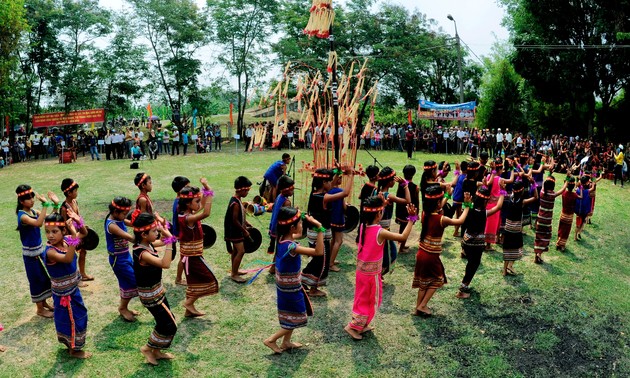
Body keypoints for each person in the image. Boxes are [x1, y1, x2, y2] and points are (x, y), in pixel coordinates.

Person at [344, 196, 417, 340]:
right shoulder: (380, 231)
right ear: (378, 214)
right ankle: (352, 327)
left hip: (362, 272)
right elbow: (402, 237)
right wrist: (411, 219)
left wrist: (382, 204)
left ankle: (361, 324)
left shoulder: (364, 225)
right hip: (370, 275)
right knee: (368, 301)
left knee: (363, 299)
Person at [263, 207, 324, 354]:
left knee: (290, 313)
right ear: (292, 227)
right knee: (296, 316)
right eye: (299, 223)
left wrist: (304, 219)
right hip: (290, 288)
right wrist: (320, 228)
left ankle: (286, 342)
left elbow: (299, 233)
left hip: (285, 285)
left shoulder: (283, 239)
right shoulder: (292, 246)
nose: (301, 226)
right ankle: (271, 340)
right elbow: (318, 252)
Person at [413, 185, 470, 316]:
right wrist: (467, 205)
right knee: (437, 280)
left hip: (421, 253)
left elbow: (437, 206)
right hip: (431, 256)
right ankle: (422, 306)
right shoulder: (441, 219)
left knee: (424, 282)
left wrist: (446, 196)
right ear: (437, 203)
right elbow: (460, 220)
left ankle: (417, 308)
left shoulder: (425, 214)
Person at [131, 212, 177, 366]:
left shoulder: (148, 244)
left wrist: (165, 231)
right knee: (169, 324)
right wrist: (169, 239)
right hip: (150, 296)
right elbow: (165, 263)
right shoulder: (142, 253)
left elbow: (164, 241)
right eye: (154, 231)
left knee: (165, 322)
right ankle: (147, 348)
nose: (156, 234)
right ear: (144, 234)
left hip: (157, 292)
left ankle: (157, 351)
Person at [44, 211, 91, 359]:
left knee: (79, 315)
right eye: (47, 232)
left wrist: (79, 222)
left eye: (54, 231)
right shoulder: (50, 251)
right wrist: (73, 235)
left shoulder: (66, 241)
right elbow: (67, 258)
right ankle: (74, 350)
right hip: (64, 295)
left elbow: (84, 233)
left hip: (72, 290)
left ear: (63, 231)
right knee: (72, 319)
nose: (50, 235)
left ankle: (72, 344)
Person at [302, 168, 353, 297]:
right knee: (321, 262)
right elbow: (345, 193)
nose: (331, 183)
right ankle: (309, 285)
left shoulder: (315, 193)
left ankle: (307, 282)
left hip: (316, 232)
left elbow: (331, 186)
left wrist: (338, 173)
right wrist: (351, 175)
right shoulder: (324, 198)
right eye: (329, 181)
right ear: (324, 182)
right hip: (318, 233)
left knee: (320, 260)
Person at [177, 181, 218, 316]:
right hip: (192, 257)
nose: (199, 203)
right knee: (209, 279)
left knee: (193, 282)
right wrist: (210, 191)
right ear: (188, 204)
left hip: (191, 255)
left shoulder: (187, 214)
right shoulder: (189, 218)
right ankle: (188, 303)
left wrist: (206, 190)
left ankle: (189, 311)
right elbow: (206, 212)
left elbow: (202, 206)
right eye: (196, 201)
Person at [15, 185, 56, 318]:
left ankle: (44, 303)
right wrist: (45, 204)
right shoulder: (23, 216)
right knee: (36, 280)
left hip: (39, 251)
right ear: (21, 201)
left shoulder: (33, 211)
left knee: (43, 278)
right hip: (30, 255)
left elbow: (49, 218)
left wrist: (55, 204)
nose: (32, 200)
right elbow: (39, 223)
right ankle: (39, 309)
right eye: (28, 198)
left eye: (32, 197)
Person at [456, 186, 504, 299]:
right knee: (473, 265)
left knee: (470, 264)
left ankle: (464, 286)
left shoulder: (468, 209)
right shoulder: (484, 213)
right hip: (476, 245)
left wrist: (467, 202)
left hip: (466, 241)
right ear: (485, 201)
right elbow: (499, 206)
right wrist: (502, 191)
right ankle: (463, 289)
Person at [105, 196, 139, 322]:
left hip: (125, 256)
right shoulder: (112, 225)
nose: (126, 216)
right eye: (124, 213)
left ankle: (123, 308)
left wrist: (141, 223)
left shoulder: (119, 219)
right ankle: (123, 308)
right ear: (115, 212)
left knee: (127, 283)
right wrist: (143, 232)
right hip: (118, 260)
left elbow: (133, 223)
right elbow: (132, 238)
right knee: (134, 281)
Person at [371, 167, 410, 275]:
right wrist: (405, 185)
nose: (394, 182)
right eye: (393, 180)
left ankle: (377, 273)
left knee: (380, 253)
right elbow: (408, 201)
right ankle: (377, 275)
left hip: (375, 227)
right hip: (384, 230)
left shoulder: (375, 191)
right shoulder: (388, 196)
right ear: (389, 182)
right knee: (391, 254)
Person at [502, 180, 538, 275]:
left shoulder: (509, 198)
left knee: (508, 247)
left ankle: (505, 269)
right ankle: (510, 265)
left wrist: (502, 188)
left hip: (508, 226)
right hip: (516, 228)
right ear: (521, 191)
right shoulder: (522, 201)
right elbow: (535, 197)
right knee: (517, 247)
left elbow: (502, 195)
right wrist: (533, 184)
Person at [60, 178, 93, 282]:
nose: (77, 193)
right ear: (69, 193)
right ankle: (75, 280)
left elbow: (78, 216)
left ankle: (83, 274)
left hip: (78, 231)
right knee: (72, 257)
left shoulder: (74, 201)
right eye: (75, 191)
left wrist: (82, 226)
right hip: (71, 235)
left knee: (83, 252)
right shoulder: (64, 208)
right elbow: (64, 225)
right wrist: (71, 237)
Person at [224, 176, 253, 283]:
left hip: (236, 230)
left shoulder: (238, 200)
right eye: (247, 190)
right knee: (241, 251)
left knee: (236, 251)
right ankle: (234, 274)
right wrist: (244, 230)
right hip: (234, 231)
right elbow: (235, 220)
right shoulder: (235, 203)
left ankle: (234, 270)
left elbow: (241, 216)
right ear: (241, 190)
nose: (248, 193)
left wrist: (247, 223)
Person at [533, 176, 567, 264]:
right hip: (547, 222)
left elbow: (544, 185)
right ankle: (539, 255)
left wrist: (549, 174)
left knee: (538, 237)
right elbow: (562, 190)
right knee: (545, 237)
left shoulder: (542, 193)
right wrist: (566, 181)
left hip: (540, 219)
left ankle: (537, 255)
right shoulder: (552, 195)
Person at [267, 175, 295, 275]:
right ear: (286, 189)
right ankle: (274, 267)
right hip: (282, 229)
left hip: (275, 227)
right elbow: (288, 217)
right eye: (291, 188)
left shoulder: (279, 197)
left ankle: (274, 267)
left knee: (278, 247)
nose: (293, 190)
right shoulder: (286, 202)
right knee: (280, 248)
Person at [394, 165, 420, 253]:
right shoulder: (416, 187)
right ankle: (401, 248)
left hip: (400, 210)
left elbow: (398, 196)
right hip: (410, 211)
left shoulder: (401, 185)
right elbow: (416, 201)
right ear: (414, 174)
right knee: (406, 229)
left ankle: (402, 244)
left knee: (402, 227)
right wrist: (417, 213)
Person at [171, 176, 190, 286]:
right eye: (188, 187)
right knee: (184, 257)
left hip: (181, 233)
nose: (190, 189)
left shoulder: (179, 201)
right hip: (182, 234)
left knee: (186, 256)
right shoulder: (179, 204)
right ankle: (178, 278)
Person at [556, 176, 580, 251]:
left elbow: (564, 187)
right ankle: (562, 245)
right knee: (566, 231)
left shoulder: (564, 193)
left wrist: (566, 179)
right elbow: (580, 197)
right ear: (573, 186)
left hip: (563, 215)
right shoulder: (574, 195)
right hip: (569, 216)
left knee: (561, 229)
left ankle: (558, 242)